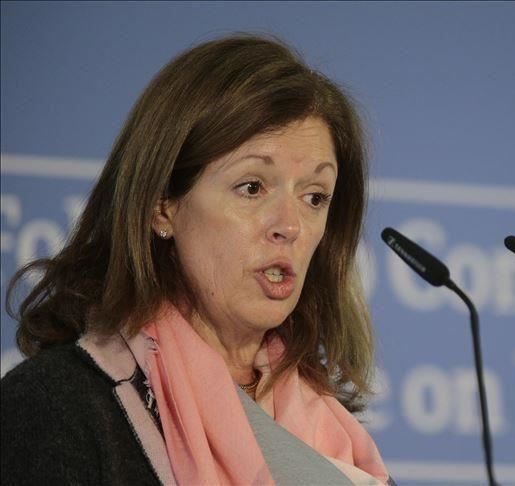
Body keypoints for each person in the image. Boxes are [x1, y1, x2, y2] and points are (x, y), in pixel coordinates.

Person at [1, 34, 394, 485]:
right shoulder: (57, 408)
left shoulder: (332, 433)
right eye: (252, 187)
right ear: (162, 207)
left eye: (315, 197)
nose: (290, 225)